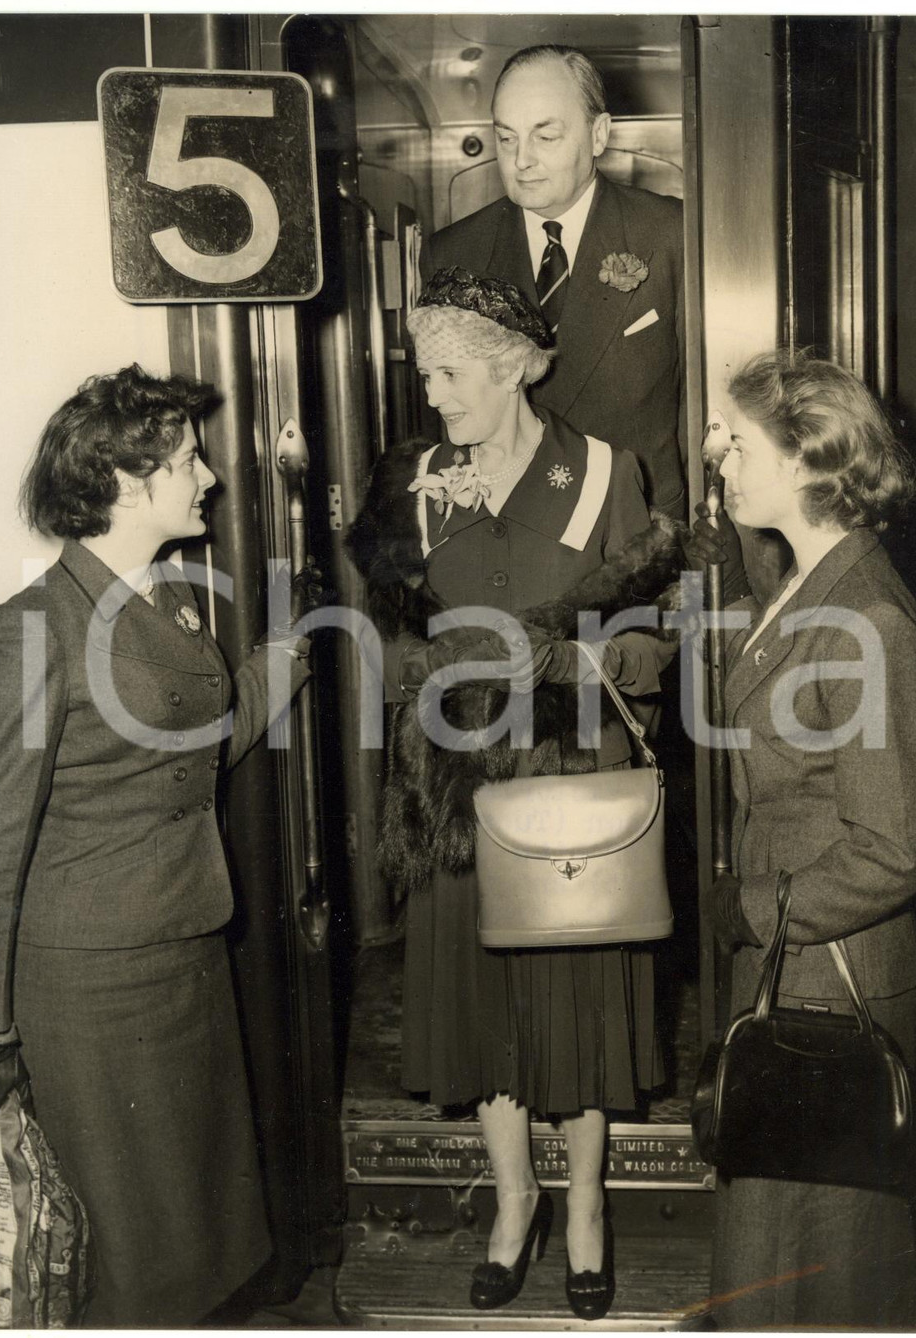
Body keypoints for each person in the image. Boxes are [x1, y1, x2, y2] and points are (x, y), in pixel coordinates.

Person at [347, 268, 714, 1319]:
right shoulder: (413, 481)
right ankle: (514, 1208)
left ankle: (586, 1209)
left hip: (568, 774)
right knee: (484, 1011)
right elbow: (392, 629)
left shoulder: (606, 473)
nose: (435, 394)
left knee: (579, 1009)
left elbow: (647, 644)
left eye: (451, 372)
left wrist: (582, 662)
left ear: (511, 370)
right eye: (426, 373)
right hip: (458, 784)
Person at [0, 365, 312, 1326]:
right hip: (90, 989)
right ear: (123, 481)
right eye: (190, 460)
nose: (209, 479)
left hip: (184, 954)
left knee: (195, 1233)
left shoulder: (155, 604)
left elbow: (193, 752)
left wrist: (277, 670)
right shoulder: (33, 630)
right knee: (131, 1253)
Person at [706, 351, 916, 1328]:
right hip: (788, 968)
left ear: (807, 459)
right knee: (779, 1264)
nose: (716, 454)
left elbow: (890, 849)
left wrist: (751, 910)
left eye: (739, 441)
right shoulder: (803, 582)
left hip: (831, 981)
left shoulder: (867, 617)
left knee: (818, 1275)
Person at [422, 44, 686, 519]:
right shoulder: (454, 253)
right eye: (506, 139)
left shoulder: (668, 233)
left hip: (640, 534)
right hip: (515, 531)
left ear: (599, 134)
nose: (522, 160)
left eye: (545, 137)